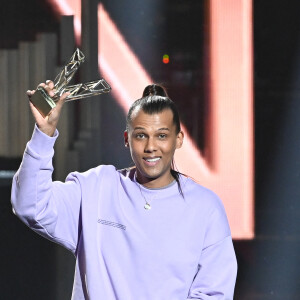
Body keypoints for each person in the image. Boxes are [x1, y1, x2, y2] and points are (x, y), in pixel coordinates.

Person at [11, 81, 237, 299]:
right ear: (127, 139)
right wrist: (44, 135)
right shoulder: (96, 188)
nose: (150, 147)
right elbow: (31, 205)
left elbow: (213, 293)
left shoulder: (205, 207)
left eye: (161, 135)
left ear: (178, 140)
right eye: (141, 135)